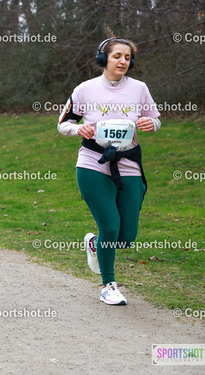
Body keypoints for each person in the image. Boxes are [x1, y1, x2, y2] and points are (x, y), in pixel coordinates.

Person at [57, 36, 161, 305]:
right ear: (103, 59)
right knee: (111, 227)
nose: (123, 61)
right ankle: (108, 285)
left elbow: (155, 119)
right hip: (93, 163)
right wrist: (78, 128)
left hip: (129, 163)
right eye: (117, 56)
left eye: (127, 57)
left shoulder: (139, 88)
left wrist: (151, 124)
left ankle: (95, 244)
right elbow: (63, 123)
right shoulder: (85, 89)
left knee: (126, 237)